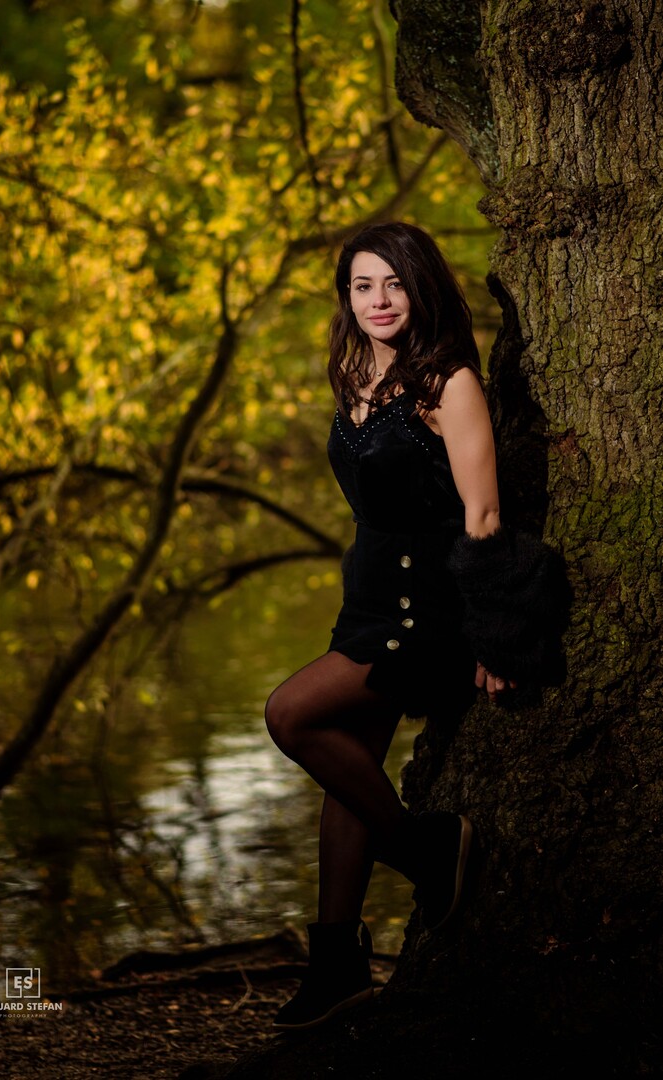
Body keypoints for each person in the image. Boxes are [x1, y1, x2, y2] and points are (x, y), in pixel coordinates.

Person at [264, 221, 559, 1032]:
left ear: (419, 287)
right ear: (346, 297)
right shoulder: (353, 368)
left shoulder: (447, 381)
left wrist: (497, 640)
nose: (378, 300)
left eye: (392, 283)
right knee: (347, 766)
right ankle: (335, 967)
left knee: (287, 716)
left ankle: (424, 849)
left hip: (422, 613)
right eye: (362, 286)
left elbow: (485, 513)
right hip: (365, 601)